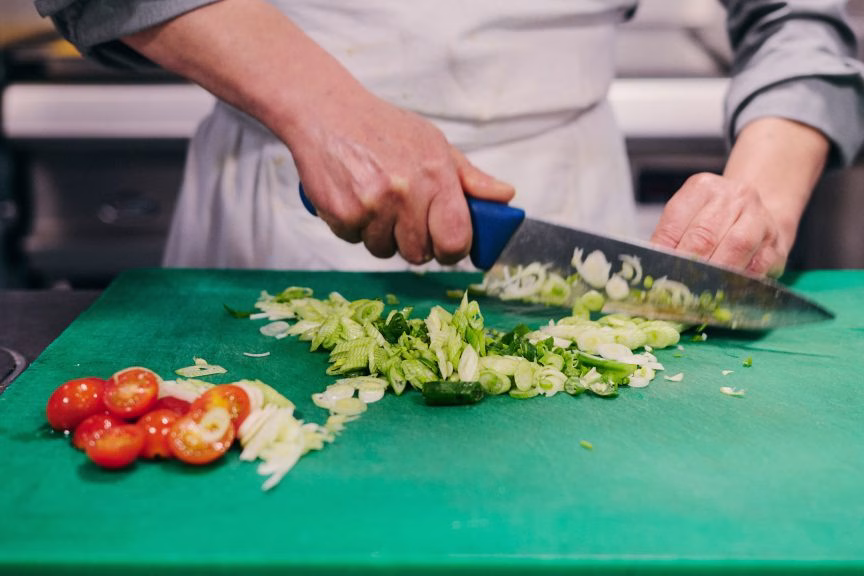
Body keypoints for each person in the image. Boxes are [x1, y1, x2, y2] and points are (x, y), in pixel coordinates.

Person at [35, 0, 864, 277]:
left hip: (576, 202)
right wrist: (322, 107)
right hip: (282, 198)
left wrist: (756, 200)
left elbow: (796, 16)